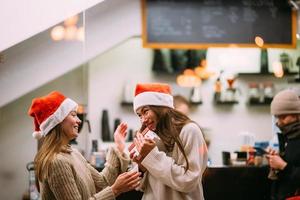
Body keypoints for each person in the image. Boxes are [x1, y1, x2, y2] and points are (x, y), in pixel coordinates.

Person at [28, 91, 141, 200]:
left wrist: (118, 146)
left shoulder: (74, 153)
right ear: (58, 121)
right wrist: (115, 190)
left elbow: (103, 182)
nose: (79, 121)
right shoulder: (57, 162)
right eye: (73, 115)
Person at [130, 83, 208, 200]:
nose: (143, 119)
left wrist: (151, 156)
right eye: (139, 115)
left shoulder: (190, 131)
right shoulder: (149, 135)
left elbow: (189, 181)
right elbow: (139, 186)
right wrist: (141, 167)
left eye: (146, 111)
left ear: (161, 108)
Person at [267, 89, 300, 200]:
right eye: (277, 117)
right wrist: (278, 161)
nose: (279, 122)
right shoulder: (288, 137)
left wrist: (283, 166)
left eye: (284, 117)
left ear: (297, 115)